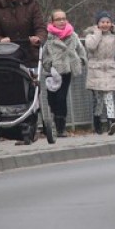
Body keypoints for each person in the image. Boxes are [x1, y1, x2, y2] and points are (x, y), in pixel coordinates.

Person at [41, 9, 87, 137]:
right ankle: (52, 122)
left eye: (63, 18)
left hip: (66, 70)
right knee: (51, 98)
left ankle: (61, 127)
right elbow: (44, 54)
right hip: (51, 71)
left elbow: (81, 50)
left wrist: (80, 62)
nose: (61, 21)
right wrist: (49, 65)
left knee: (61, 97)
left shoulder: (72, 35)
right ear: (52, 21)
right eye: (58, 19)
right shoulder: (48, 36)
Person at [84, 10, 115, 135]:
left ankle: (111, 121)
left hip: (109, 68)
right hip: (95, 69)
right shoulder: (91, 35)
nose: (105, 24)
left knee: (109, 96)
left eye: (108, 22)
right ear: (97, 23)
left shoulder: (113, 36)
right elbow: (91, 46)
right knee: (98, 99)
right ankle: (97, 121)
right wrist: (97, 33)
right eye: (102, 22)